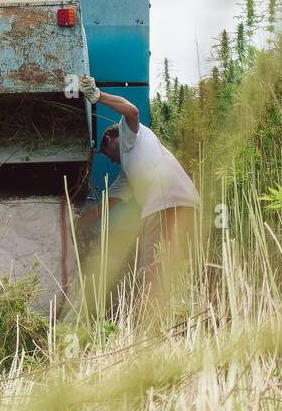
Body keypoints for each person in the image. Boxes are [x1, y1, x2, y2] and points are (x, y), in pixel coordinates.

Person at [75, 74, 198, 295]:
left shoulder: (129, 136)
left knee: (149, 273)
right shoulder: (129, 174)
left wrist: (97, 96)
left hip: (161, 204)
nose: (111, 160)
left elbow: (132, 111)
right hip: (188, 202)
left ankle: (152, 323)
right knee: (178, 267)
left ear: (110, 139)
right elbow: (105, 207)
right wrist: (76, 225)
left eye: (107, 153)